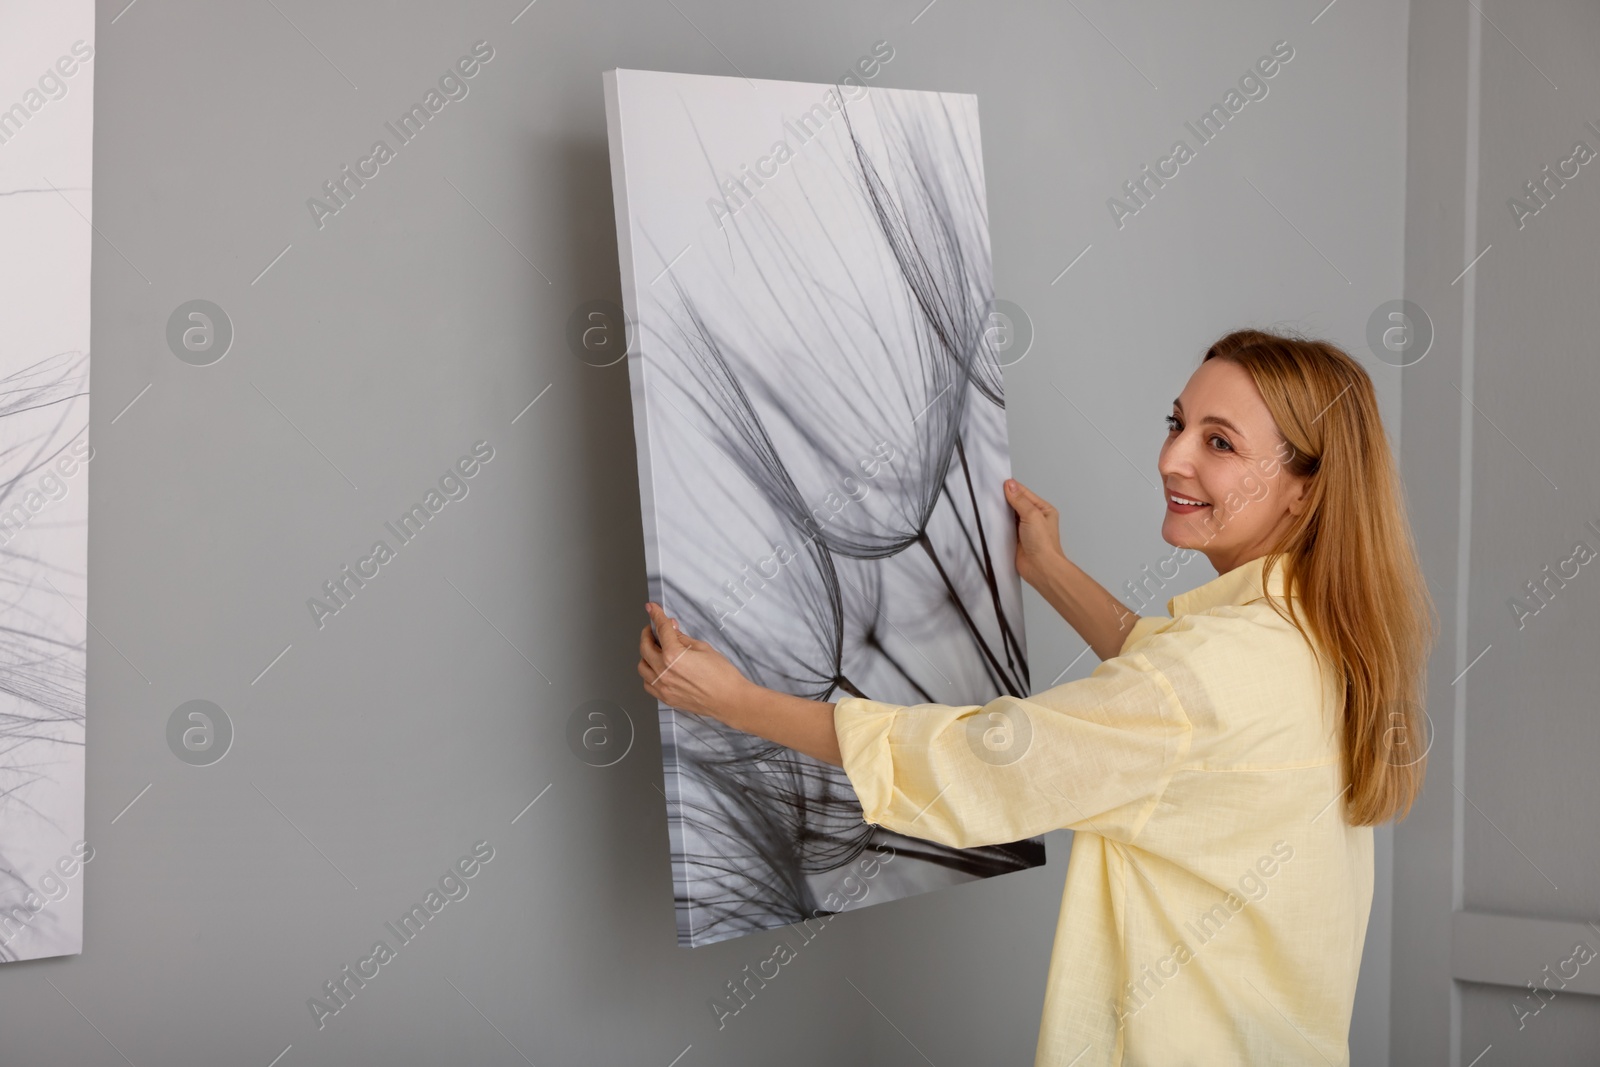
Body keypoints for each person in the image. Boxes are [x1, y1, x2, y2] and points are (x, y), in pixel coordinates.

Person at [636, 328, 1435, 1066]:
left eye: (1219, 442)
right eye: (1178, 422)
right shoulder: (1316, 642)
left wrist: (738, 703)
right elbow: (1168, 696)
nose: (1172, 457)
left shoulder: (1205, 677)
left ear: (1302, 490)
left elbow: (982, 761)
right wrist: (1050, 571)